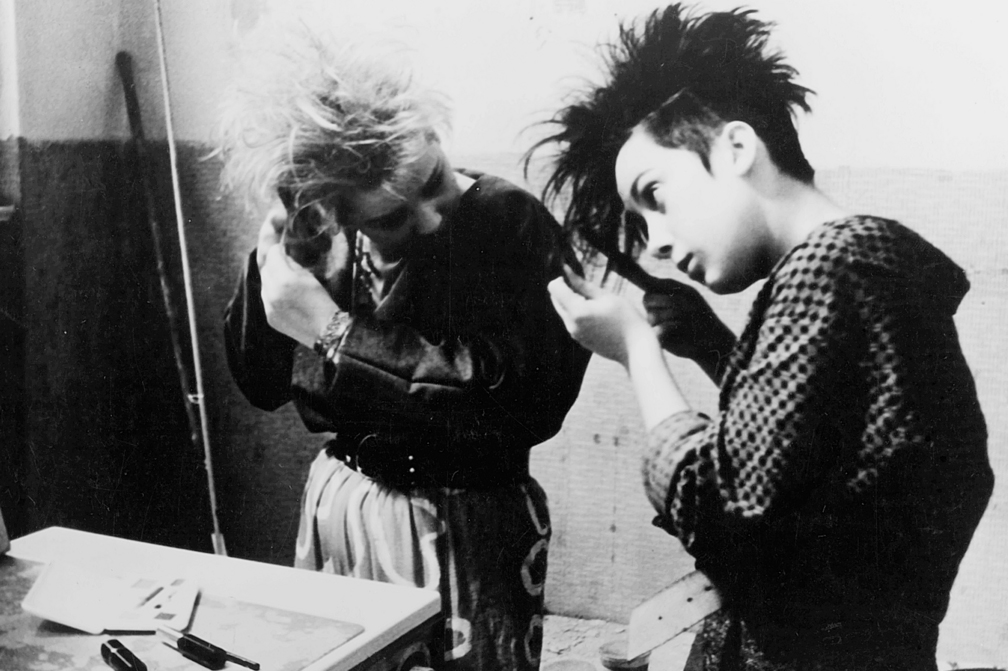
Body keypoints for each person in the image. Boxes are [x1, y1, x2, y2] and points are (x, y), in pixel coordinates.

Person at [529, 4, 994, 670]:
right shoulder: (870, 270)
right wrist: (711, 346)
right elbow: (816, 456)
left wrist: (637, 351)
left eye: (655, 195)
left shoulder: (830, 267)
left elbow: (722, 512)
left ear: (736, 149)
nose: (656, 242)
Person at [219, 20, 591, 671]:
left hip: (467, 520)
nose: (432, 214)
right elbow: (262, 381)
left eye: (433, 175)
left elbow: (525, 399)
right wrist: (272, 260)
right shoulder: (327, 235)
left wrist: (334, 332)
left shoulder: (508, 220)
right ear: (335, 210)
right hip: (345, 507)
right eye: (390, 215)